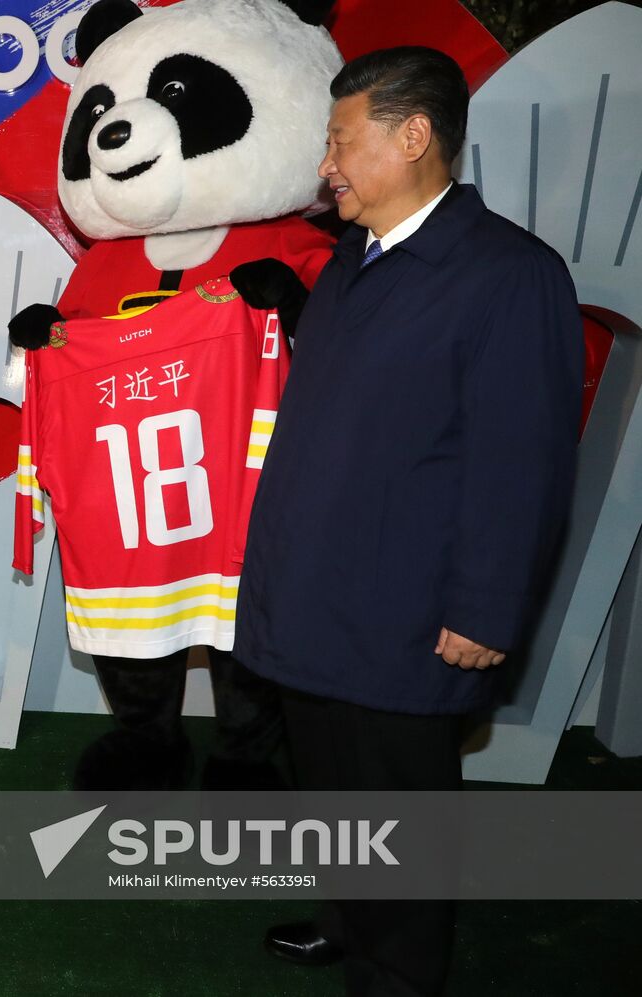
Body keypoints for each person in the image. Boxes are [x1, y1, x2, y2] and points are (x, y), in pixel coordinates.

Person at [233, 48, 582, 997]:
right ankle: (346, 922)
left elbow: (524, 463)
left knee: (396, 809)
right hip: (315, 598)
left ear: (415, 135)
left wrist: (485, 608)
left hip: (407, 614)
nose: (326, 167)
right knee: (332, 785)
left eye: (341, 142)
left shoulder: (510, 275)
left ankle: (397, 971)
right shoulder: (352, 264)